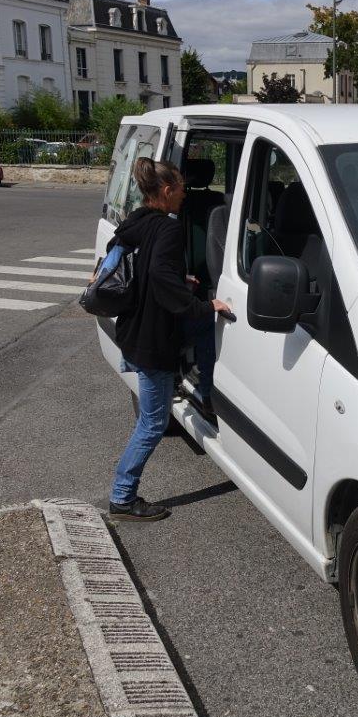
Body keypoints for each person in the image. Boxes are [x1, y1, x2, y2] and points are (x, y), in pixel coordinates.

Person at [109, 157, 231, 522]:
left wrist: (183, 283)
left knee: (205, 330)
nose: (183, 196)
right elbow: (161, 277)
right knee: (153, 424)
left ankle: (205, 394)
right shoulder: (168, 228)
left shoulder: (135, 222)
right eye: (179, 189)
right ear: (166, 191)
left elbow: (144, 270)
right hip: (153, 339)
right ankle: (122, 498)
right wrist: (202, 303)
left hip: (134, 330)